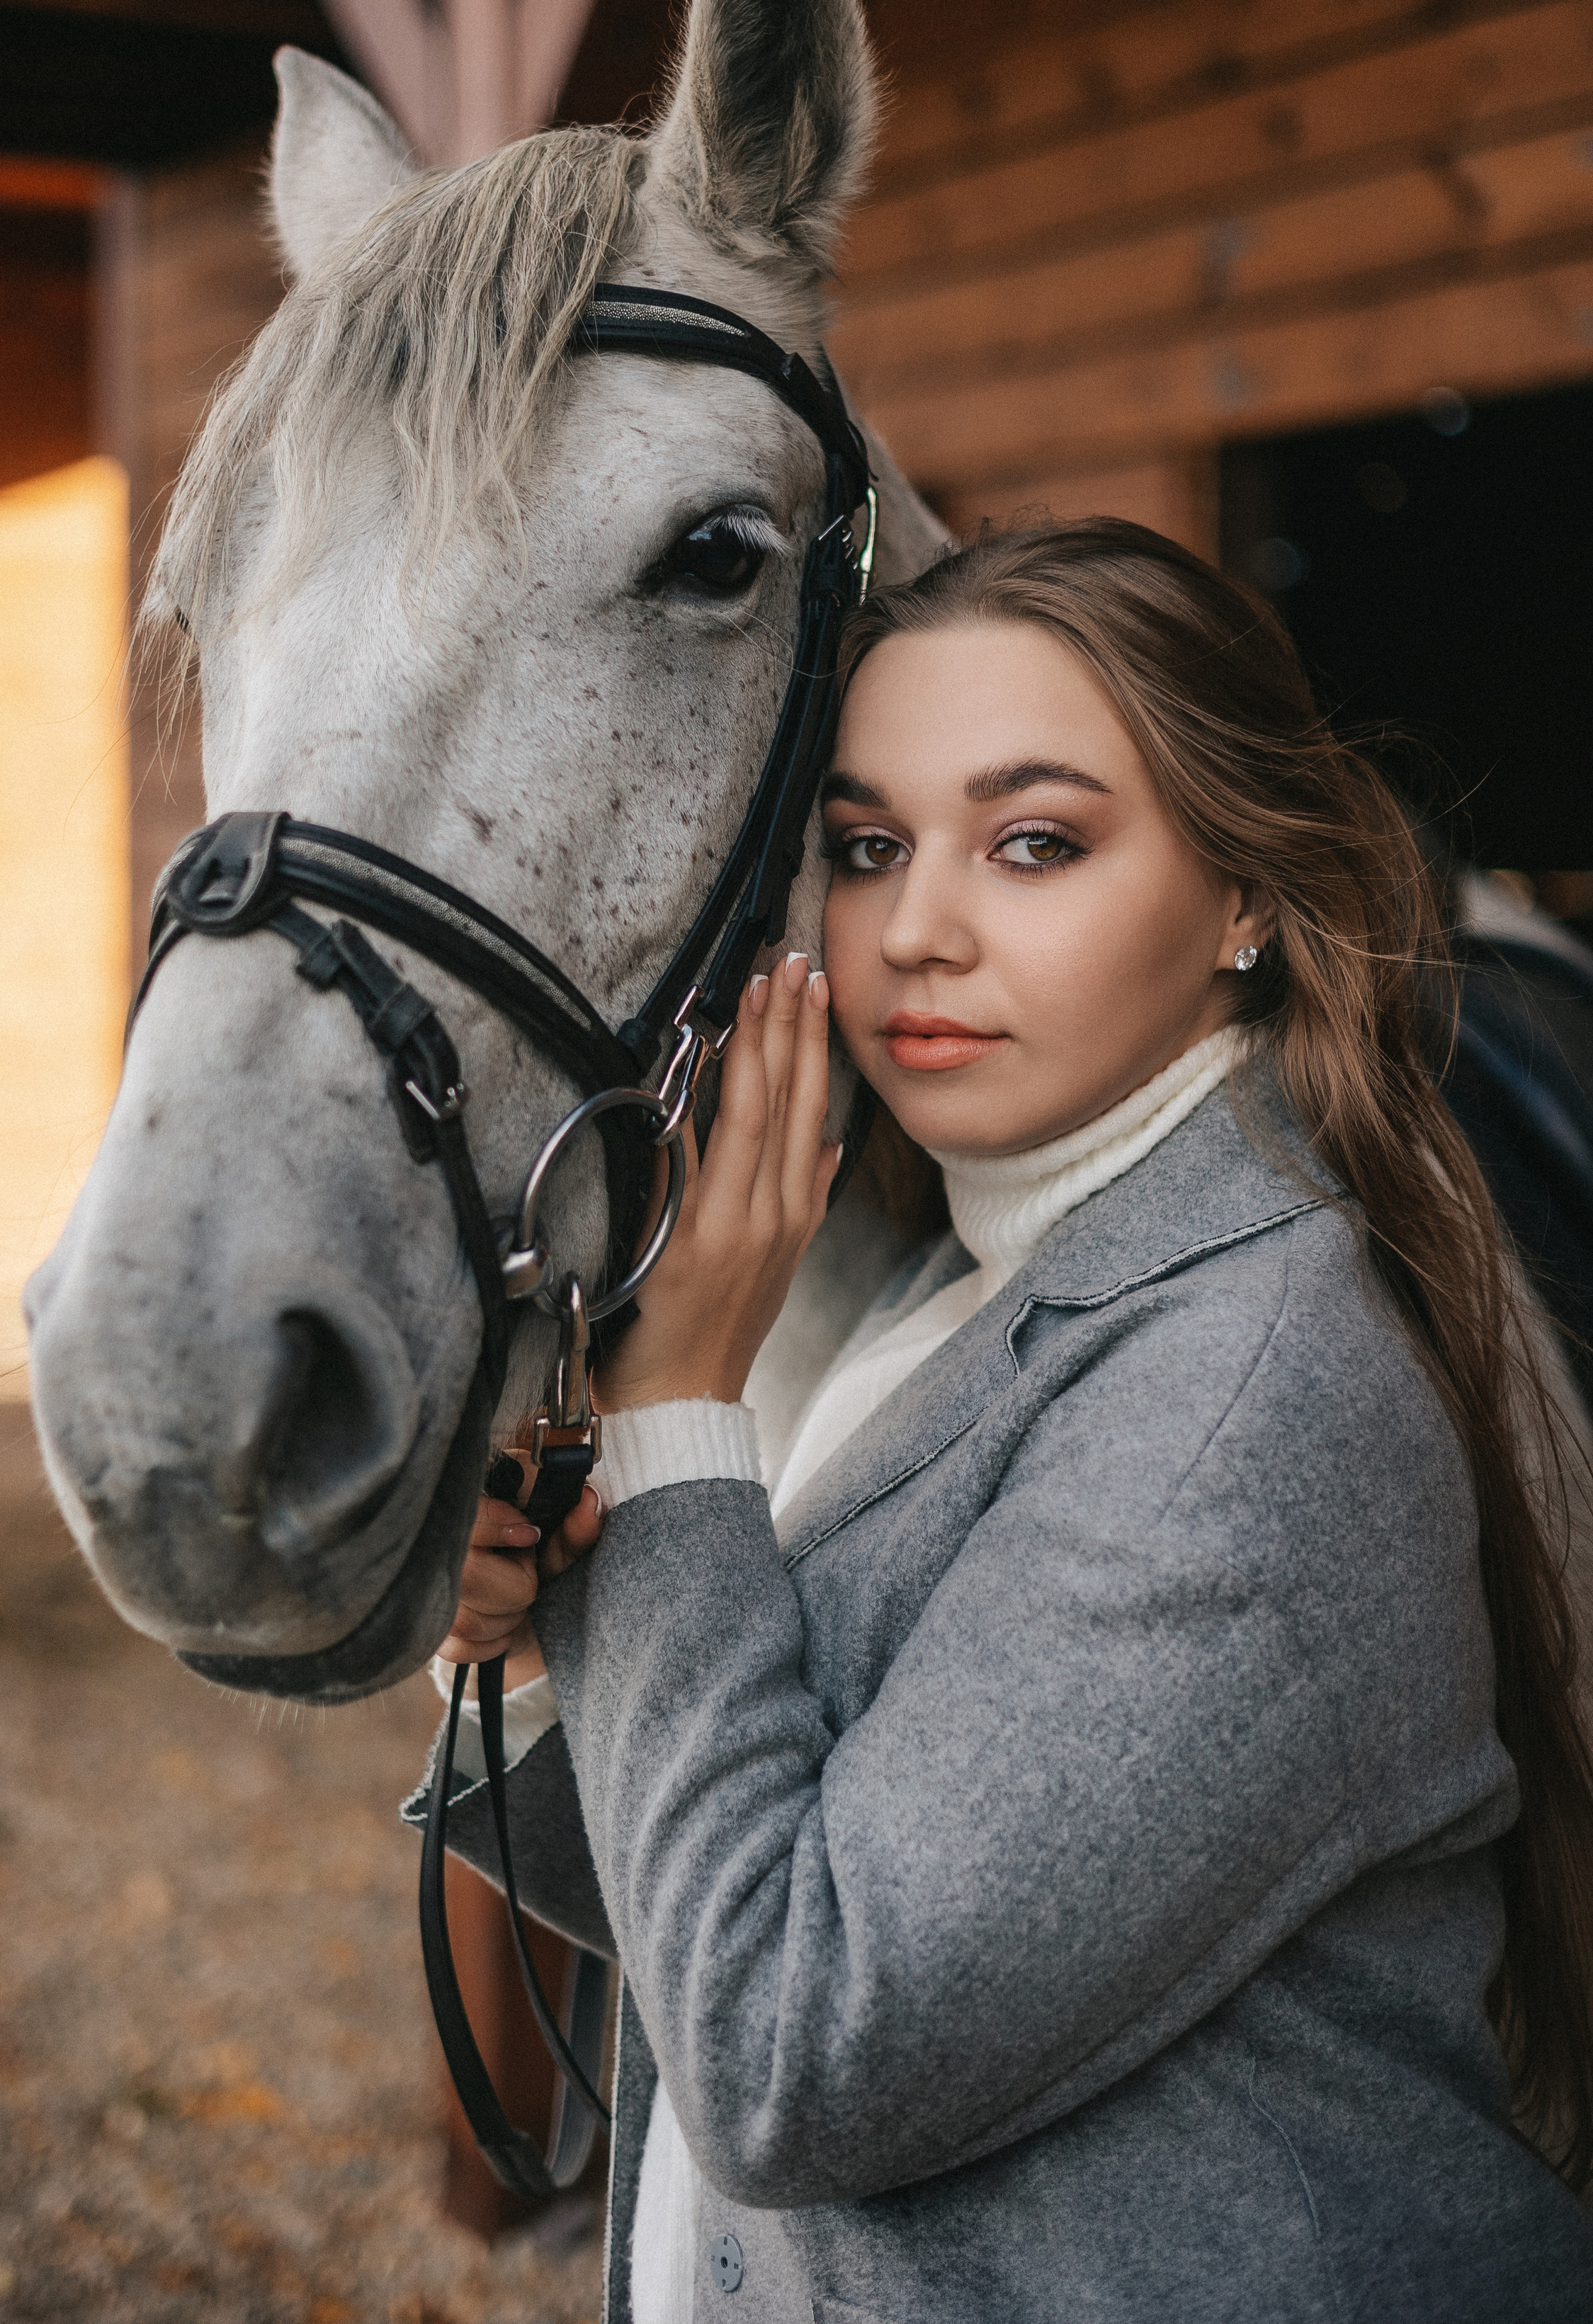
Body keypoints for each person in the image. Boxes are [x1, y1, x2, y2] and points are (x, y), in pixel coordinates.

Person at [427, 518, 1593, 2323]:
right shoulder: (961, 1282)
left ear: (1246, 899)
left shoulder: (1238, 1394)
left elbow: (791, 2049)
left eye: (1033, 842)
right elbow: (750, 1862)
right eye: (866, 846)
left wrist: (669, 1417)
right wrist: (518, 1658)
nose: (914, 928)